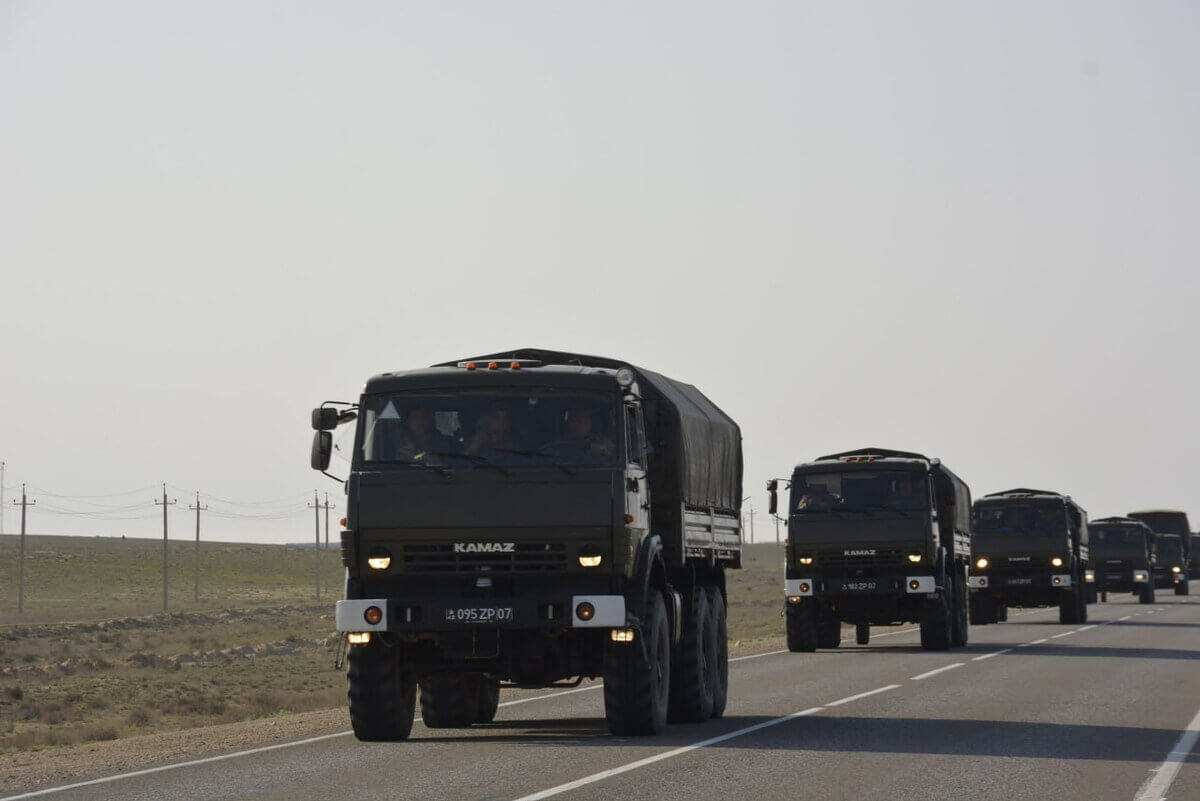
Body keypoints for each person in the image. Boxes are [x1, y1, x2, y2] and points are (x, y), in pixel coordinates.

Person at [545, 404, 614, 464]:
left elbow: (612, 457)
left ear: (589, 423)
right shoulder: (557, 445)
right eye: (573, 419)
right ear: (568, 422)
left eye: (580, 421)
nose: (576, 425)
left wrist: (601, 452)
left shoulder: (601, 442)